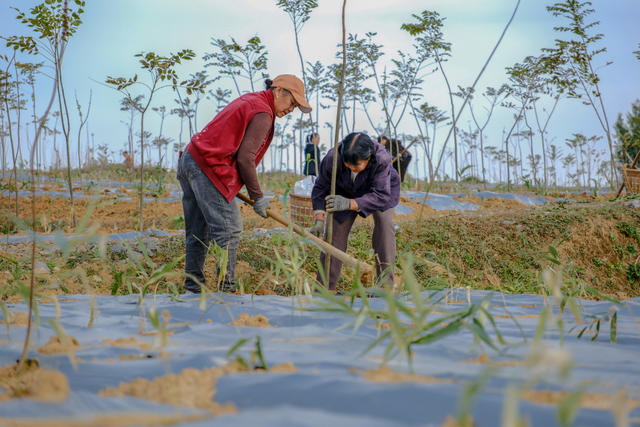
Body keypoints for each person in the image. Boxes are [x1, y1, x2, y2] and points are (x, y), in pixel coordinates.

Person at [177, 74, 311, 293]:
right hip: (207, 167)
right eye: (292, 103)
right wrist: (258, 197)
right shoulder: (263, 113)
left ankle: (193, 286)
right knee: (229, 229)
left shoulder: (253, 100)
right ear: (279, 92)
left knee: (197, 231)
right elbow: (245, 158)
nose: (291, 110)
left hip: (191, 159)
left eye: (296, 107)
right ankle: (226, 288)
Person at [310, 132, 400, 291]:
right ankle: (324, 288)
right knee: (334, 233)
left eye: (356, 165)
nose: (351, 167)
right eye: (347, 164)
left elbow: (381, 195)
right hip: (344, 190)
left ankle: (386, 286)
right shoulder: (333, 158)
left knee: (385, 227)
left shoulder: (381, 159)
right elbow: (320, 188)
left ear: (369, 158)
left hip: (379, 192)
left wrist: (351, 203)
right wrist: (319, 217)